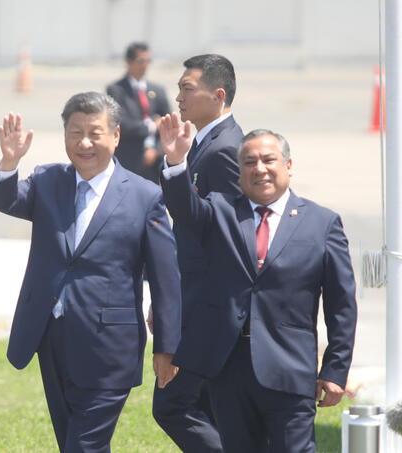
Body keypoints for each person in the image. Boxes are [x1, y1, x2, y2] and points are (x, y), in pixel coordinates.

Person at [0, 92, 181, 453]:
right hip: (52, 335)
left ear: (116, 136)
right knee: (72, 440)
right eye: (75, 133)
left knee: (83, 446)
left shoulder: (144, 196)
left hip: (109, 344)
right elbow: (5, 199)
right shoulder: (48, 180)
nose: (85, 143)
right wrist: (9, 162)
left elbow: (166, 278)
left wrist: (167, 346)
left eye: (95, 133)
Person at [159, 122, 358, 453]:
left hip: (289, 368)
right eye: (249, 162)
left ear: (289, 166)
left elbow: (341, 305)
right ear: (239, 172)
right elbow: (184, 209)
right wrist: (177, 162)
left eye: (269, 160)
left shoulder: (321, 223)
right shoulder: (221, 210)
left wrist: (336, 369)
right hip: (228, 368)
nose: (260, 169)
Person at [151, 54, 243, 453]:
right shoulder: (207, 142)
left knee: (172, 405)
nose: (179, 98)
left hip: (210, 307)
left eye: (188, 89)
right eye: (179, 89)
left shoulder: (225, 151)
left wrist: (174, 165)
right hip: (197, 302)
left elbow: (210, 230)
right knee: (206, 406)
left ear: (218, 95)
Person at [106, 42, 170, 183]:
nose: (145, 65)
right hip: (128, 158)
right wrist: (151, 126)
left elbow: (168, 125)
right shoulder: (116, 90)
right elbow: (119, 123)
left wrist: (157, 150)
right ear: (128, 62)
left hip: (155, 162)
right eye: (141, 61)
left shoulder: (157, 91)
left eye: (148, 61)